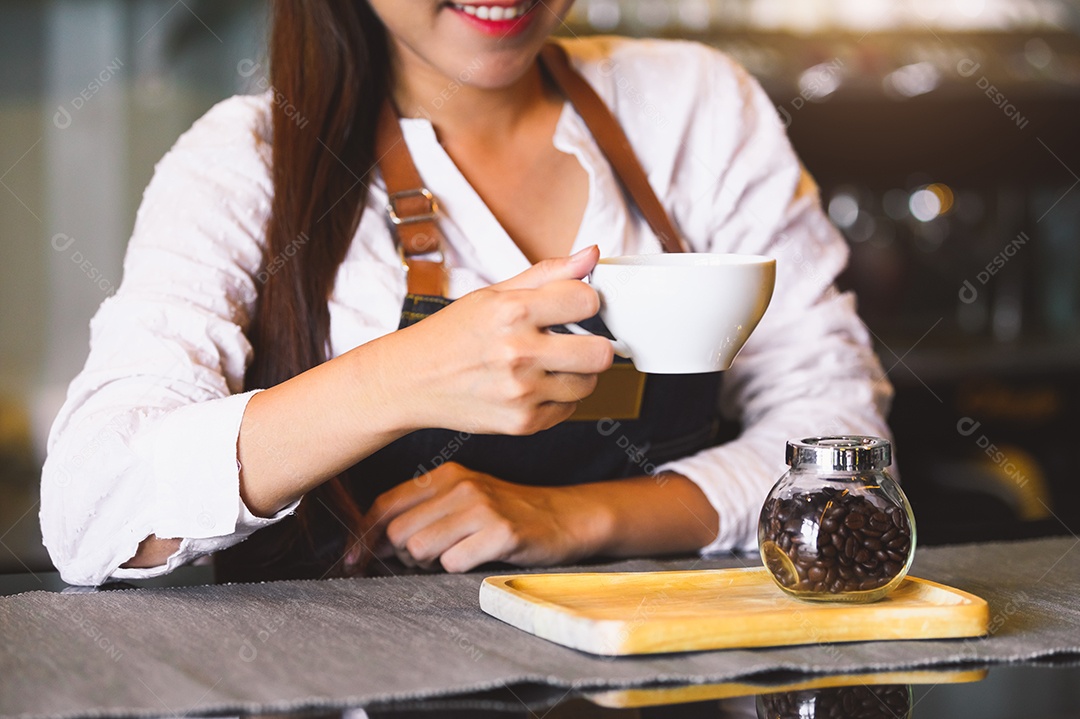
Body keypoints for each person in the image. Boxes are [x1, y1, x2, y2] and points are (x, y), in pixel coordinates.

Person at [40, 0, 892, 586]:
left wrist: (581, 516)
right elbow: (93, 509)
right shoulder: (249, 161)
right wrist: (401, 376)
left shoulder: (695, 105)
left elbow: (840, 446)